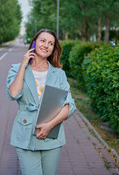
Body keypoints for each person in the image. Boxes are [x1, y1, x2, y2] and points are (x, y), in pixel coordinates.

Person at [6, 29, 76, 175]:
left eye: (51, 43)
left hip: (52, 135)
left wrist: (49, 126)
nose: (46, 45)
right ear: (34, 43)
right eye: (43, 41)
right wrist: (23, 65)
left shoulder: (59, 74)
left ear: (53, 50)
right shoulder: (17, 69)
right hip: (25, 134)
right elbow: (14, 94)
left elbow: (69, 105)